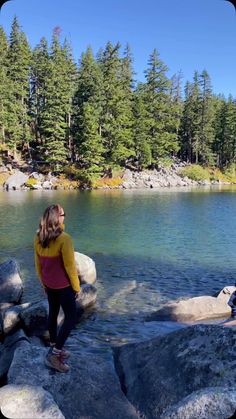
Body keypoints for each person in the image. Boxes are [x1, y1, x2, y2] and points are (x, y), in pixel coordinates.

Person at [34, 204, 80, 373]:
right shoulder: (64, 239)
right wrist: (76, 287)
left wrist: (43, 284)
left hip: (49, 284)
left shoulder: (38, 237)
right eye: (63, 214)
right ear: (56, 218)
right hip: (63, 286)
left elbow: (38, 264)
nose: (64, 217)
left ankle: (53, 345)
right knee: (71, 318)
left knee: (53, 312)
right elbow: (70, 267)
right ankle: (55, 355)